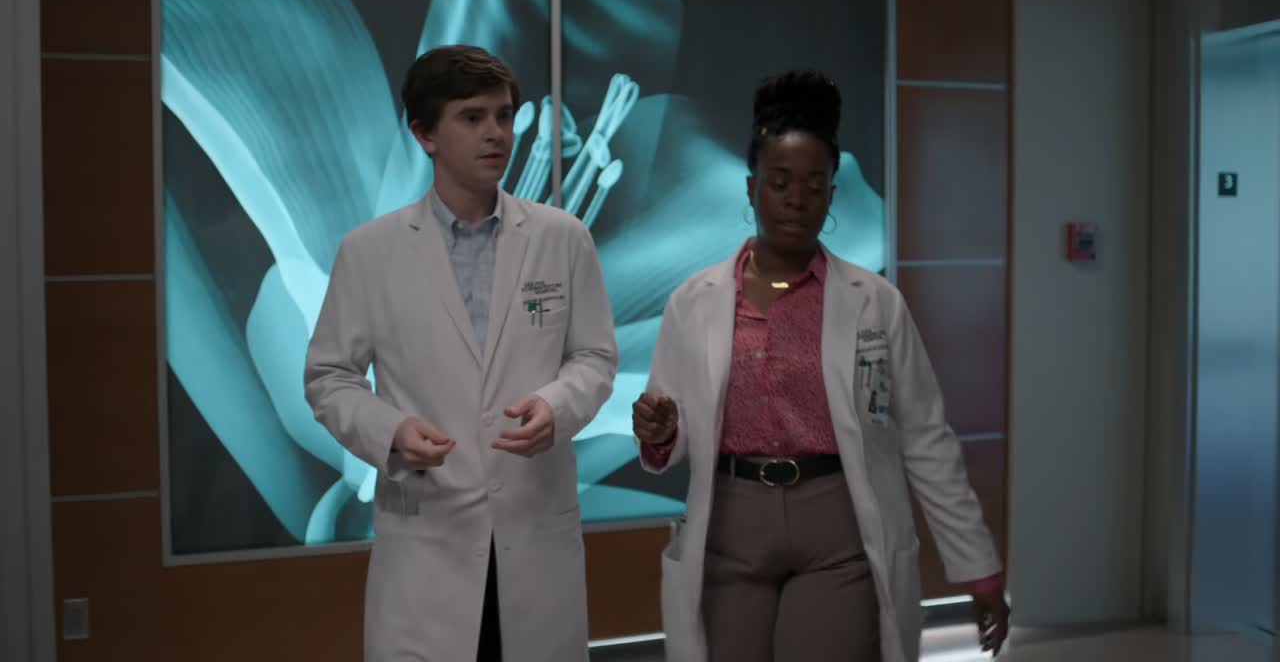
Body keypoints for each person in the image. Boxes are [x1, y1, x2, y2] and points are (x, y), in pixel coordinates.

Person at [632, 70, 1010, 662]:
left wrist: (978, 568)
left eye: (814, 185)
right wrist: (658, 433)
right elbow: (669, 436)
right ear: (752, 188)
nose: (797, 199)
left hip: (837, 528)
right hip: (731, 525)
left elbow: (925, 437)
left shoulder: (874, 302)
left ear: (833, 194)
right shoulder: (693, 301)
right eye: (780, 182)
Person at [305, 45, 618, 662]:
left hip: (534, 529)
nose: (496, 134)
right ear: (425, 134)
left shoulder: (563, 238)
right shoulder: (369, 251)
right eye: (472, 118)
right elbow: (329, 377)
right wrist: (390, 431)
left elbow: (595, 357)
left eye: (504, 116)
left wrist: (558, 406)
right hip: (429, 539)